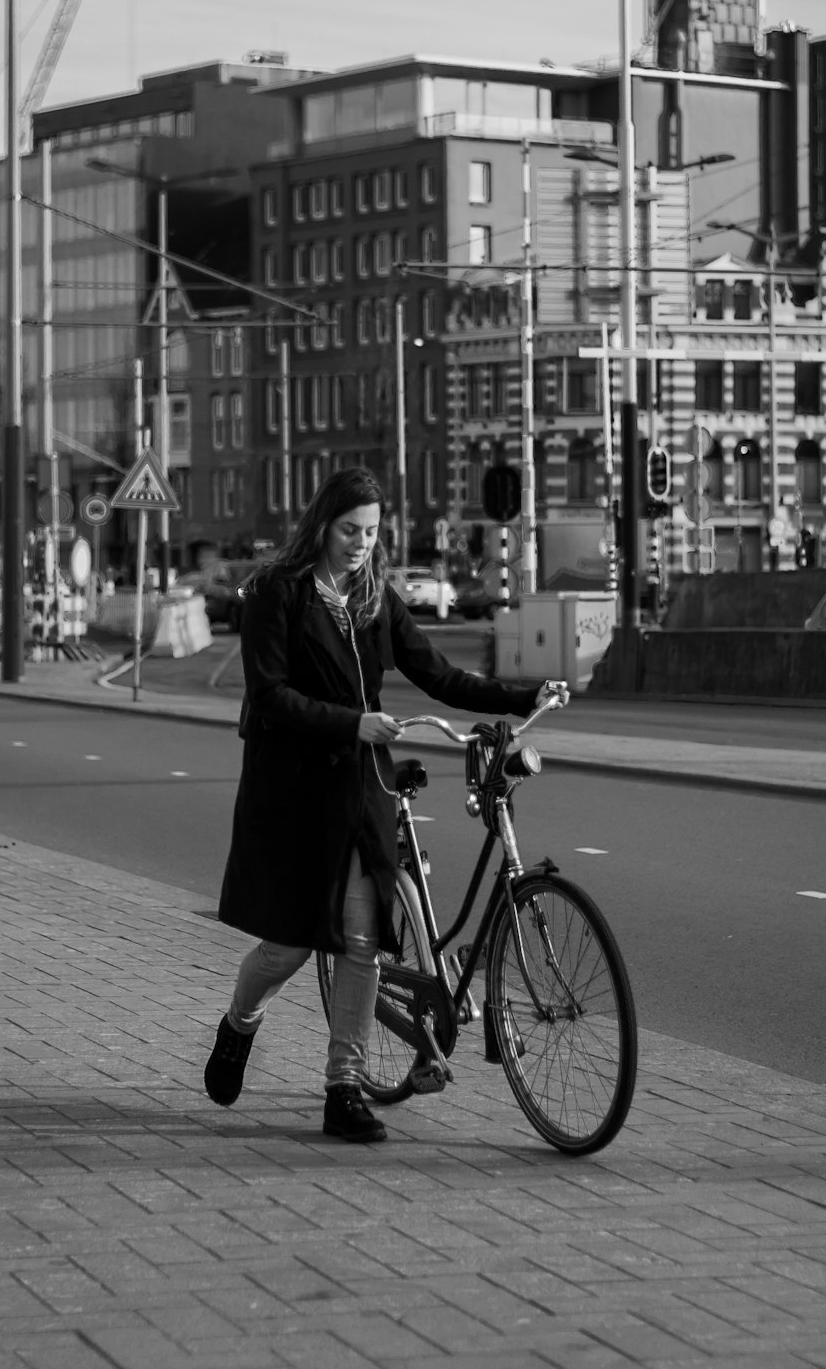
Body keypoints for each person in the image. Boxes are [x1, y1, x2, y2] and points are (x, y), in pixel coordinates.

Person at [204, 467, 549, 1144]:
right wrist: (351, 722)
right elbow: (270, 695)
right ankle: (240, 1023)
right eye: (349, 531)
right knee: (291, 947)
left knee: (360, 938)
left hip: (361, 788)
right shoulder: (280, 593)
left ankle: (344, 1088)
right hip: (294, 790)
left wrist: (521, 697)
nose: (361, 544)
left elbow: (437, 673)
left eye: (371, 533)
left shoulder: (372, 597)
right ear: (322, 525)